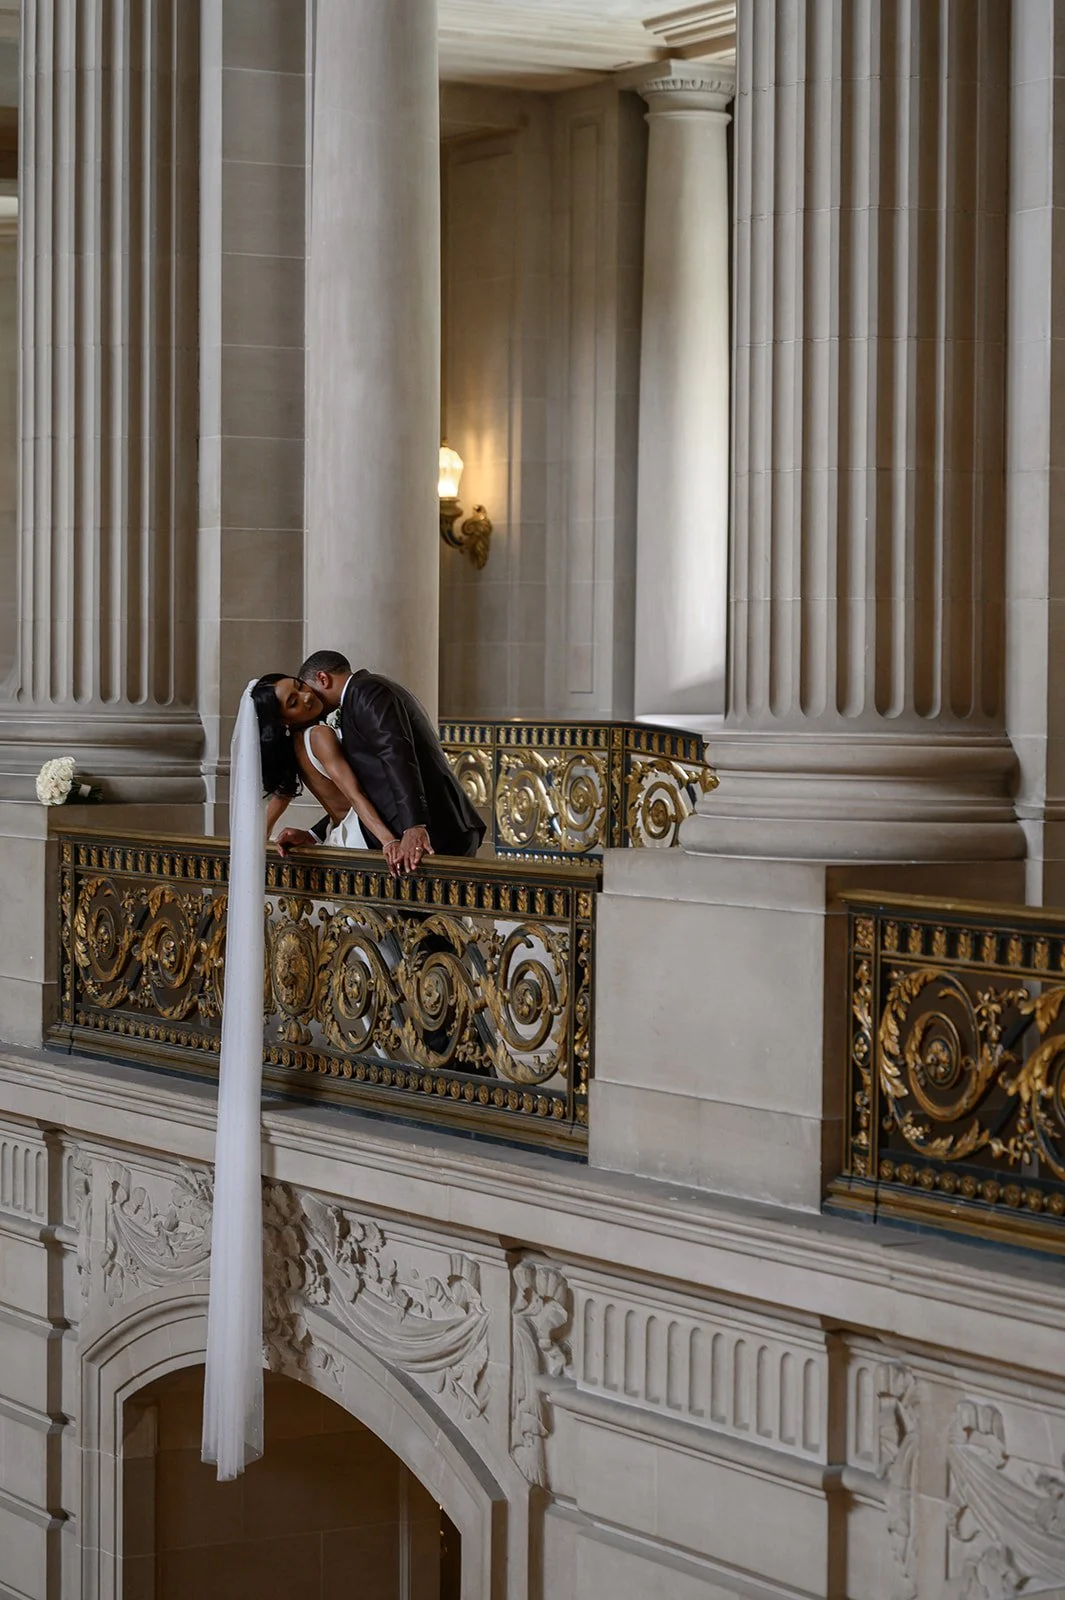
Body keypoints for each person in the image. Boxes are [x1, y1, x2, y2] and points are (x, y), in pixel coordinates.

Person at [274, 650, 485, 871]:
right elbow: (372, 787)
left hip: (436, 830)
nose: (309, 698)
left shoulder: (367, 691)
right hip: (425, 831)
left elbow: (396, 755)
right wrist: (314, 834)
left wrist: (414, 826)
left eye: (307, 689)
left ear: (323, 679)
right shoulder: (360, 694)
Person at [250, 673, 404, 873]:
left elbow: (282, 798)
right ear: (283, 720)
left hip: (342, 834)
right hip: (364, 835)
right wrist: (388, 840)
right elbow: (354, 794)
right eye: (293, 702)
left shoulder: (293, 747)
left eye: (300, 686)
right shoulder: (318, 735)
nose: (306, 696)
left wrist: (257, 844)